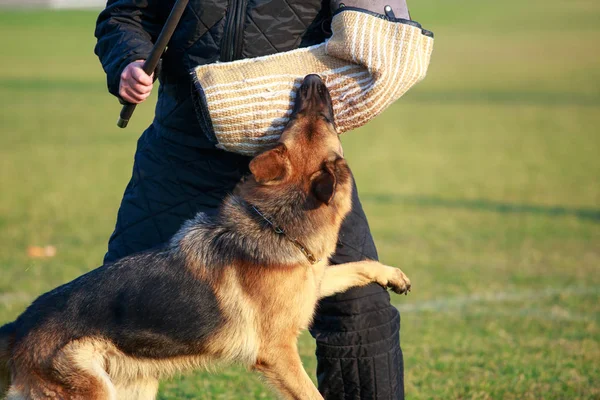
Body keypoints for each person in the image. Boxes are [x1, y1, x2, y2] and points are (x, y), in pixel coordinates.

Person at [95, 1, 406, 398]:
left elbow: (373, 26)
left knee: (361, 312)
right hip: (183, 147)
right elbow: (126, 14)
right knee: (119, 310)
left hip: (297, 165)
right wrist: (128, 61)